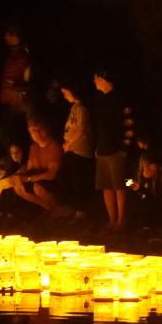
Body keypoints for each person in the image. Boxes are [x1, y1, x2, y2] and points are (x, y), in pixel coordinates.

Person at [93, 69, 131, 231]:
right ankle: (112, 220)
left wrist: (124, 147)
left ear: (103, 79)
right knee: (106, 186)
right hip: (103, 149)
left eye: (96, 79)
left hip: (116, 150)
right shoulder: (101, 100)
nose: (94, 82)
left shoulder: (118, 99)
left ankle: (122, 220)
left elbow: (128, 124)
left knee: (119, 185)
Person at [11, 120, 64, 214]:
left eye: (39, 130)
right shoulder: (33, 148)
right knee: (17, 185)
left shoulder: (54, 146)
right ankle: (48, 207)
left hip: (55, 180)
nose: (36, 134)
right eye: (32, 131)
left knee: (38, 187)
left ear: (46, 129)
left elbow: (52, 174)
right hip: (37, 178)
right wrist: (20, 175)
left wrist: (30, 178)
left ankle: (59, 209)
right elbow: (30, 168)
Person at [60, 81, 95, 219]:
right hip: (72, 149)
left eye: (66, 93)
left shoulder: (81, 109)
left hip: (80, 150)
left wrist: (69, 142)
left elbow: (80, 129)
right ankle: (72, 207)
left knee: (78, 180)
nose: (64, 96)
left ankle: (81, 210)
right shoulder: (74, 108)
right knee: (68, 177)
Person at [0, 24, 32, 146]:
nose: (5, 37)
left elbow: (27, 77)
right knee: (5, 134)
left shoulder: (23, 54)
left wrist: (17, 88)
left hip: (16, 102)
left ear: (16, 35)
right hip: (8, 99)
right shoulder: (12, 54)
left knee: (14, 135)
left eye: (8, 34)